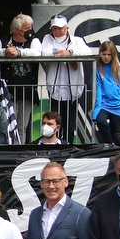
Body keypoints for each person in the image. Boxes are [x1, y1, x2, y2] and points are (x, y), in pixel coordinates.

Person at [0, 14, 41, 144]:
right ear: (16, 30)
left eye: (30, 28)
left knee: (22, 127)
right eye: (26, 29)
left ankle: (19, 152)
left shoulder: (34, 41)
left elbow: (37, 52)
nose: (29, 31)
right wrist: (4, 53)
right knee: (7, 126)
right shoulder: (3, 41)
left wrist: (18, 53)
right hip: (8, 93)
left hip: (27, 92)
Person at [41, 15, 91, 144]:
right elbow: (45, 52)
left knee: (70, 123)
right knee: (54, 121)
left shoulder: (77, 40)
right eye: (54, 28)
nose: (57, 31)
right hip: (55, 89)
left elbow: (87, 52)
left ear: (66, 27)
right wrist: (63, 53)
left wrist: (69, 53)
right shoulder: (48, 38)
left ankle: (68, 146)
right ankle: (55, 144)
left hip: (72, 90)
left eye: (60, 28)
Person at [92, 41, 120, 145]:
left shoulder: (119, 70)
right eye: (104, 54)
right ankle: (109, 145)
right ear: (100, 54)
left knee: (117, 133)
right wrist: (96, 110)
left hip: (118, 105)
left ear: (113, 55)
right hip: (104, 105)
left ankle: (114, 149)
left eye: (109, 54)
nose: (106, 57)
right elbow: (98, 89)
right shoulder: (97, 69)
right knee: (101, 121)